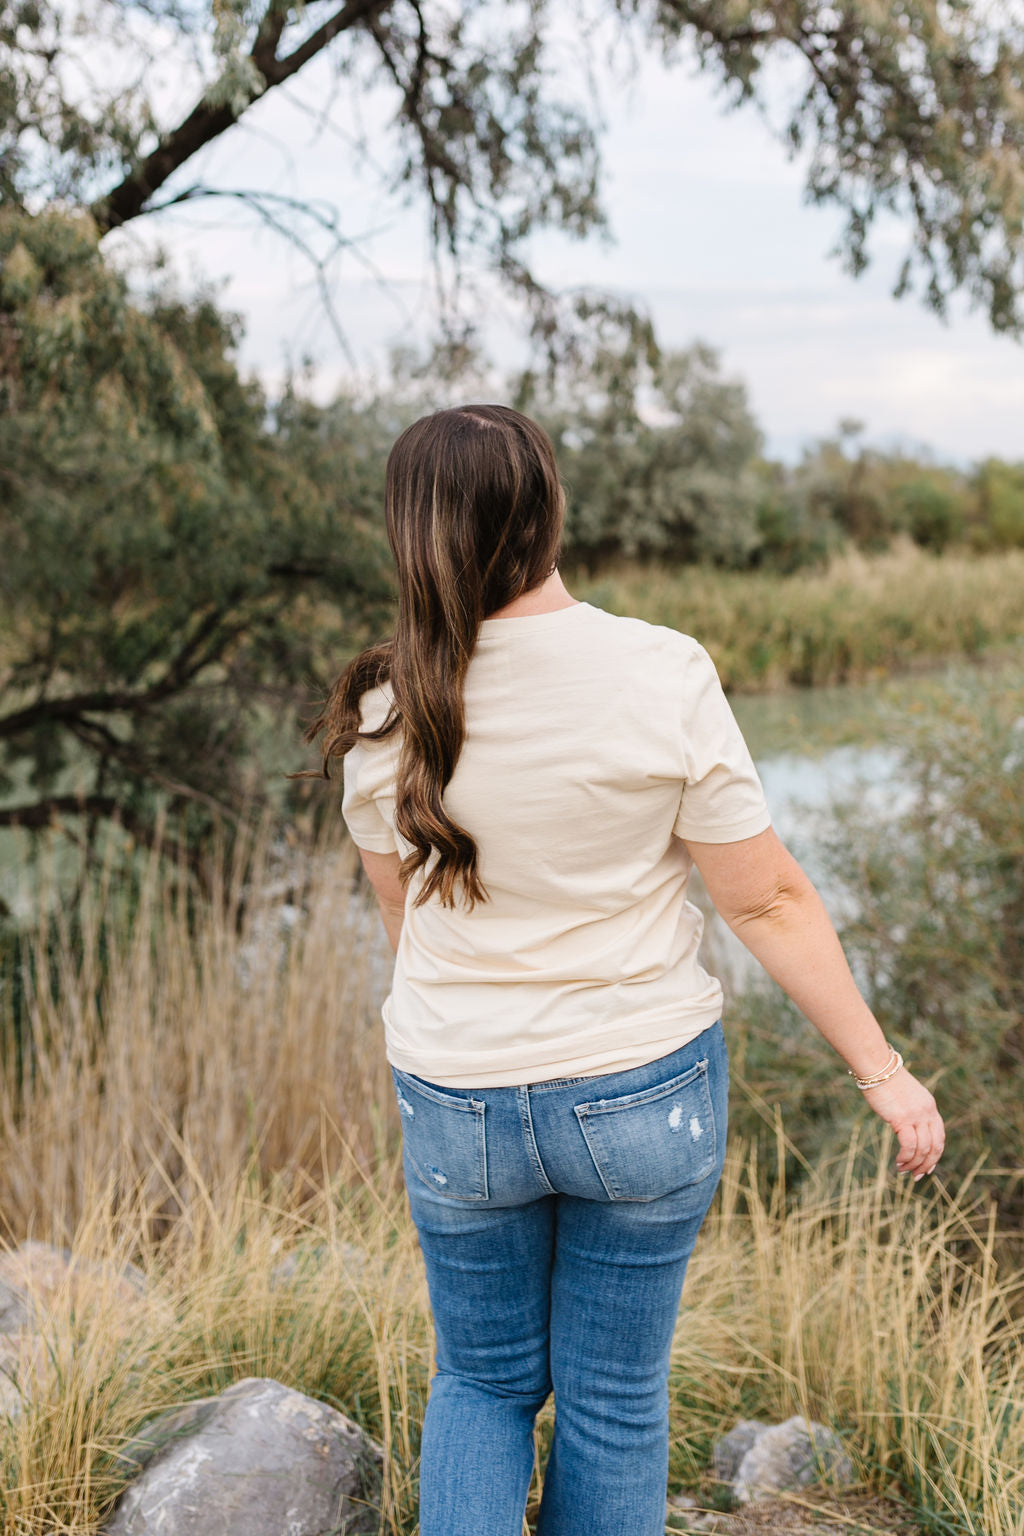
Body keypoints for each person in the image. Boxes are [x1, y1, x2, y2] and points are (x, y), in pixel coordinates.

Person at [304, 404, 944, 1536]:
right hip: (641, 1093)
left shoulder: (380, 708)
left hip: (460, 1097)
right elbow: (767, 898)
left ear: (408, 535)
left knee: (484, 1384)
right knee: (610, 1400)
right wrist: (881, 1070)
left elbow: (404, 919)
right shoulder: (659, 671)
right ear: (550, 511)